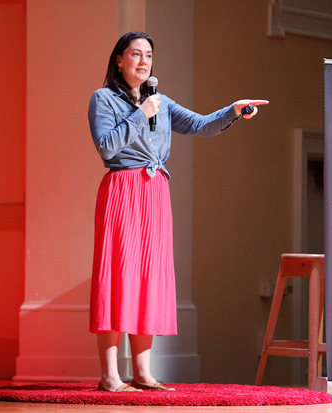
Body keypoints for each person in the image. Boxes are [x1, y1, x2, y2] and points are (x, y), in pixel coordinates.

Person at [88, 31, 268, 392]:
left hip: (155, 191)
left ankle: (142, 373)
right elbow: (107, 148)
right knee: (118, 277)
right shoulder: (103, 99)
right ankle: (110, 375)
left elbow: (200, 125)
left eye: (149, 56)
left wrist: (232, 110)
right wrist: (141, 114)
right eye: (135, 54)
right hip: (122, 189)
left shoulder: (161, 101)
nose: (143, 61)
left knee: (148, 279)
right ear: (119, 60)